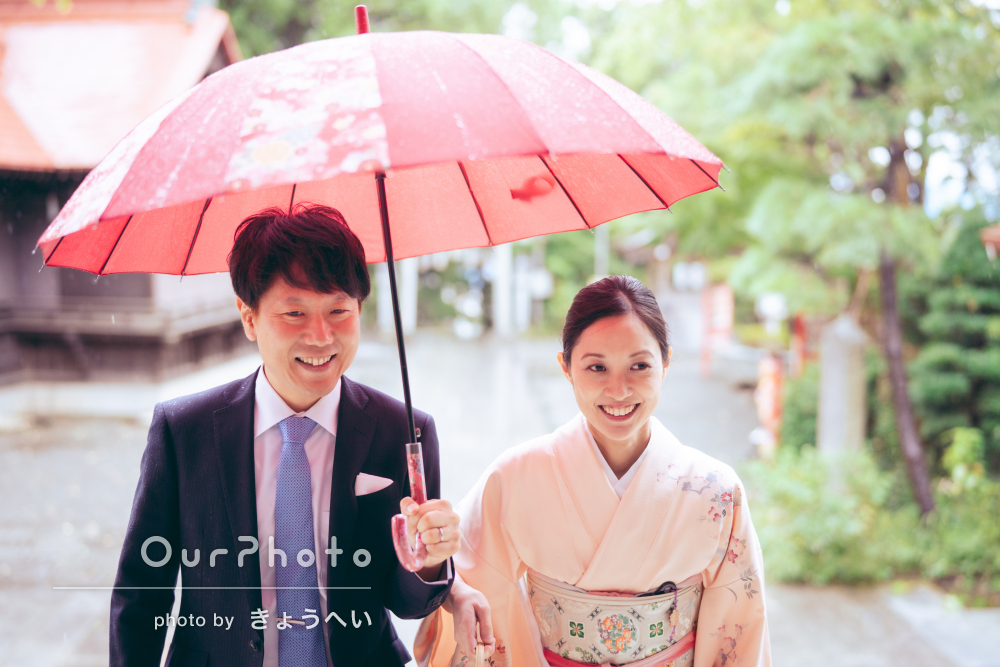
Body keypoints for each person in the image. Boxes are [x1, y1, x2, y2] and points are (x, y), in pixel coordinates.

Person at [110, 204, 461, 667]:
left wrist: (430, 561)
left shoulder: (405, 431)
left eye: (338, 310)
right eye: (294, 313)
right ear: (249, 317)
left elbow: (408, 601)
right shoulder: (184, 431)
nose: (320, 336)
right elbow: (141, 593)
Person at [417, 276, 770, 667]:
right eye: (597, 367)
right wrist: (435, 555)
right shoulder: (515, 476)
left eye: (639, 365)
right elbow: (470, 578)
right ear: (565, 367)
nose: (618, 390)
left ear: (666, 363)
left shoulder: (716, 491)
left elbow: (738, 623)